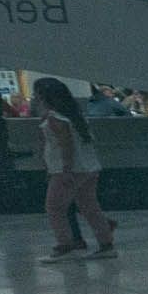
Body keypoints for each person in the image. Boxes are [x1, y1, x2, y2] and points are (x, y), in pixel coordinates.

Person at [34, 78, 115, 262]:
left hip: (67, 170)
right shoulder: (74, 116)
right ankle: (106, 244)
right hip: (88, 167)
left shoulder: (55, 118)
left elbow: (65, 145)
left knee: (54, 207)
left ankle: (65, 245)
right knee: (89, 206)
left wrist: (65, 169)